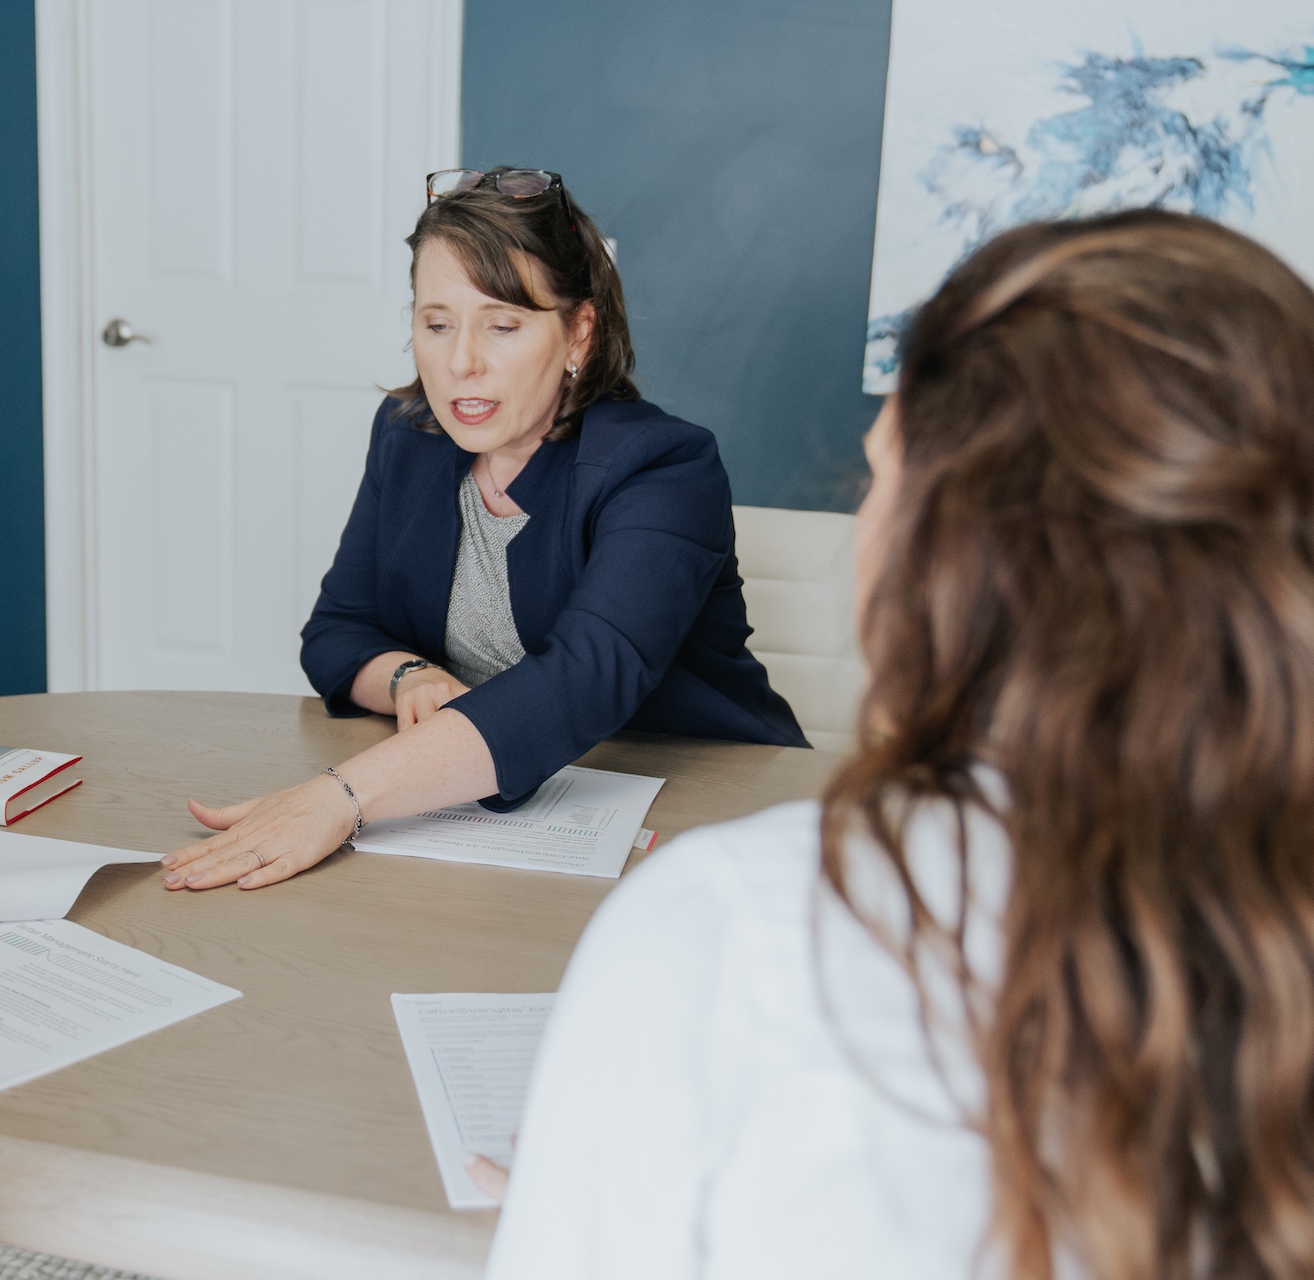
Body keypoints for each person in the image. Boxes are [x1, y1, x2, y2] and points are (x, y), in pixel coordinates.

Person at [480, 209, 1314, 1279]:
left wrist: (591, 1198)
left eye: (882, 473)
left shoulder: (738, 931)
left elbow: (585, 672)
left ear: (945, 550)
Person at [160, 167, 804, 893]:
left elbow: (585, 676)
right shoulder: (409, 436)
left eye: (502, 324)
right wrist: (408, 676)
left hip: (706, 812)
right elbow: (337, 631)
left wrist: (338, 798)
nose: (460, 362)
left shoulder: (664, 466)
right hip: (504, 826)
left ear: (578, 334)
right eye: (437, 324)